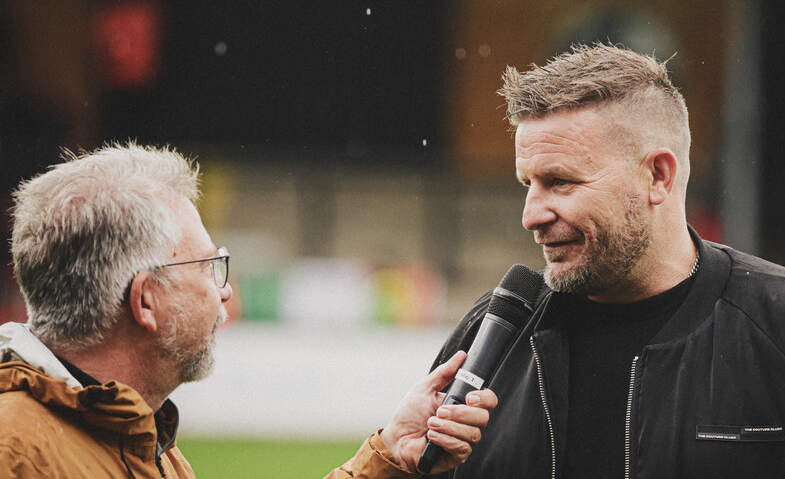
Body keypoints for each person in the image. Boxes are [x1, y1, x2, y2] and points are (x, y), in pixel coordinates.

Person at [426, 43, 785, 478]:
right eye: (528, 184)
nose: (531, 214)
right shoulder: (491, 339)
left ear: (658, 176)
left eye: (560, 181)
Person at [0, 143, 496, 478]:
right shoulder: (16, 452)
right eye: (209, 266)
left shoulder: (136, 437)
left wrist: (389, 452)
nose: (225, 292)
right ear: (146, 300)